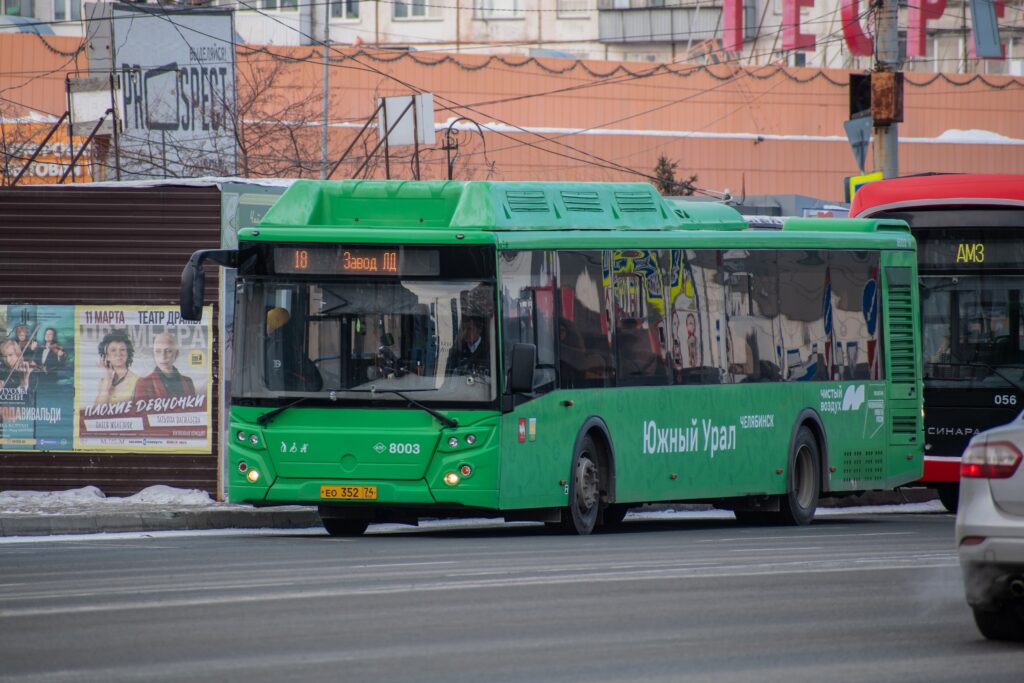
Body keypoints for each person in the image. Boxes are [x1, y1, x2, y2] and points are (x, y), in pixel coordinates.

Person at [264, 307, 322, 391]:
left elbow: (278, 381)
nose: (266, 326)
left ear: (273, 325)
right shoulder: (288, 344)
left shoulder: (276, 348)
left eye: (268, 323)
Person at [133, 332, 196, 401]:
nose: (163, 357)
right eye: (158, 351)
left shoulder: (188, 382)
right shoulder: (144, 384)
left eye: (168, 351)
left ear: (176, 354)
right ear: (153, 354)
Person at [94, 329, 140, 404]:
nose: (118, 353)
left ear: (128, 353)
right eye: (113, 350)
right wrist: (107, 378)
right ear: (107, 356)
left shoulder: (138, 381)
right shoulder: (103, 381)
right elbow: (96, 411)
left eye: (122, 349)